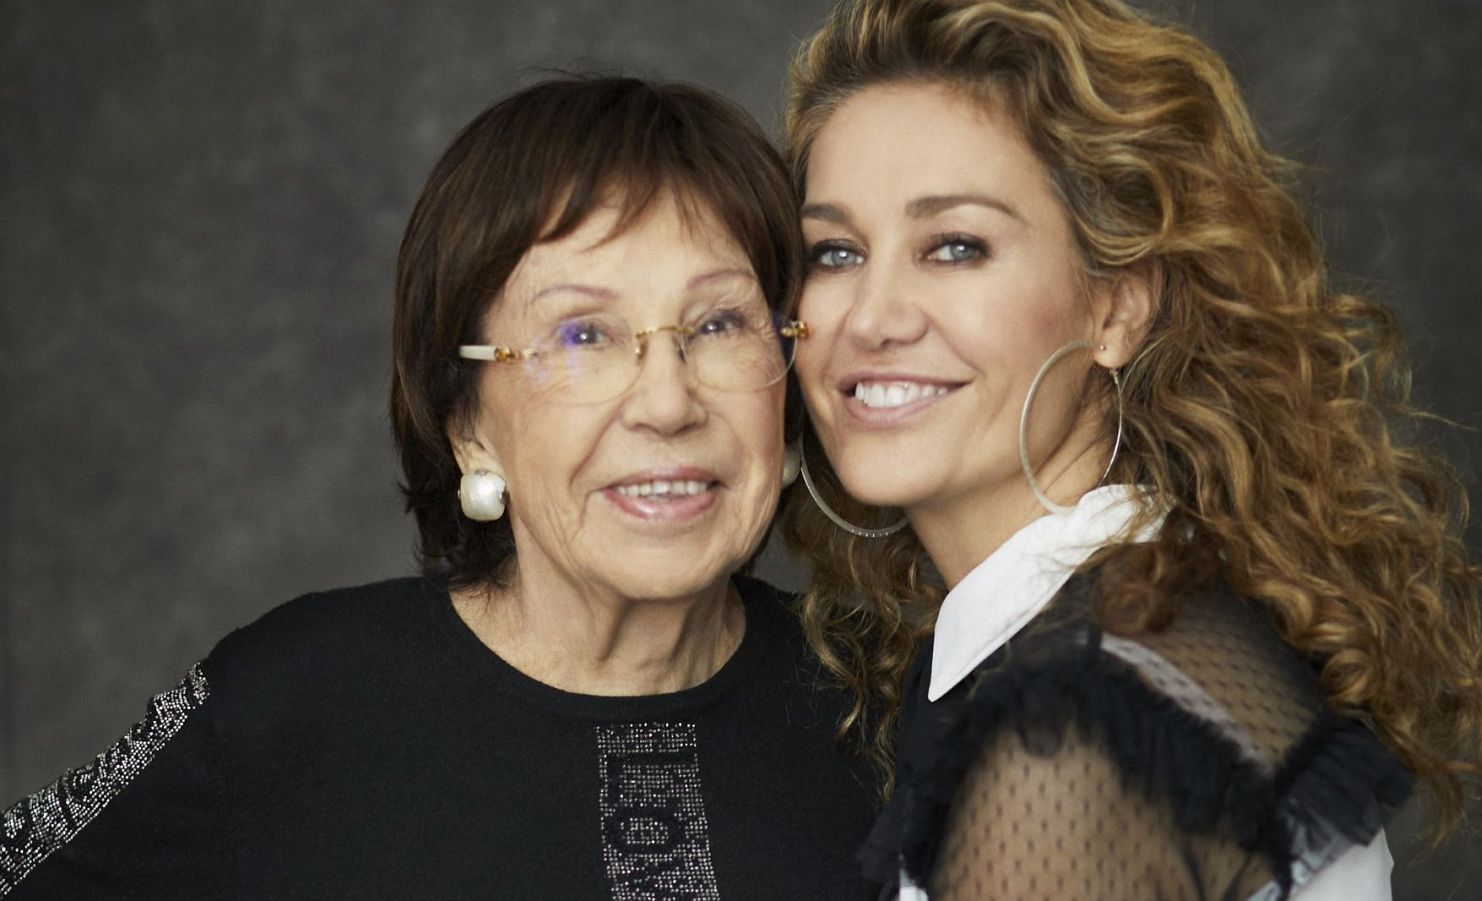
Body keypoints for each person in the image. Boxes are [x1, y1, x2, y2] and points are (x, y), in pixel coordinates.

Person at [0, 76, 879, 900]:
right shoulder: (290, 695)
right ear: (467, 423)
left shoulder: (883, 703)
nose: (666, 400)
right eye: (581, 335)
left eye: (720, 322)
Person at [778, 1, 1482, 898]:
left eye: (955, 246)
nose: (870, 317)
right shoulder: (1132, 624)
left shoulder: (1078, 717)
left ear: (1117, 308)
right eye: (833, 253)